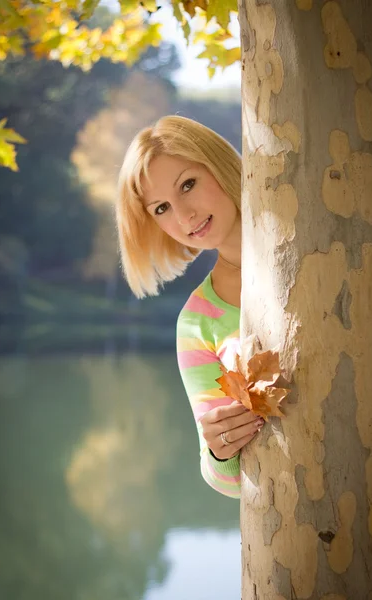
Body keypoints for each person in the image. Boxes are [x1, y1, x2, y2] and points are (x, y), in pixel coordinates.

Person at [116, 115, 264, 499]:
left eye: (188, 185)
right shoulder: (197, 322)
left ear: (218, 163)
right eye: (161, 208)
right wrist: (219, 450)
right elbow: (228, 483)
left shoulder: (326, 239)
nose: (184, 217)